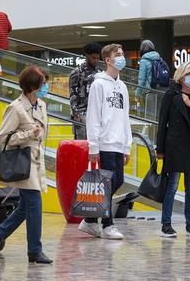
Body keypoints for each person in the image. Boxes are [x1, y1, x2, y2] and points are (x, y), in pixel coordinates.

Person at [0, 66, 52, 264]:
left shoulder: (41, 106)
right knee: (35, 202)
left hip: (36, 161)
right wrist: (28, 134)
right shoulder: (15, 107)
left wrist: (35, 134)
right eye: (43, 83)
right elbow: (3, 138)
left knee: (25, 206)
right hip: (24, 162)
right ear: (32, 86)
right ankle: (34, 250)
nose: (45, 87)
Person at [80, 43, 132, 240]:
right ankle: (107, 224)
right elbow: (93, 116)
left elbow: (125, 117)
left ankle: (91, 220)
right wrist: (93, 145)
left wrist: (127, 145)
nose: (121, 57)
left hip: (119, 142)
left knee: (117, 180)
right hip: (105, 141)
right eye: (117, 55)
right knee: (108, 183)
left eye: (122, 54)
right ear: (108, 60)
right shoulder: (98, 84)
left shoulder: (123, 86)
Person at [155, 61, 190, 238]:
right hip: (175, 146)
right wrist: (160, 148)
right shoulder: (171, 95)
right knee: (172, 186)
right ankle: (166, 225)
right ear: (181, 76)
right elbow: (162, 123)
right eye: (189, 73)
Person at [68, 42, 102, 139]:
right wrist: (76, 113)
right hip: (81, 113)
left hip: (96, 113)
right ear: (87, 56)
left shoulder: (100, 74)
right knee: (81, 145)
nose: (96, 60)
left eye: (97, 58)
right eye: (93, 58)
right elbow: (72, 93)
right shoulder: (77, 72)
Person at [136, 40, 168, 112]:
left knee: (149, 113)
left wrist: (138, 93)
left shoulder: (144, 60)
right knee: (158, 112)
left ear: (142, 48)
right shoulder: (159, 58)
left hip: (149, 90)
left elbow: (142, 79)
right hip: (160, 89)